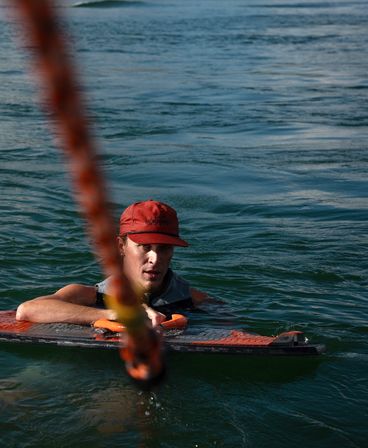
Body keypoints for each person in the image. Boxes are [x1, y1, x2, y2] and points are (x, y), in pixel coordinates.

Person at [16, 200, 208, 327]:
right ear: (121, 246)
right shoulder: (90, 296)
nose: (155, 258)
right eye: (144, 246)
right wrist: (115, 314)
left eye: (164, 248)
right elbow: (27, 310)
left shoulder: (194, 301)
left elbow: (234, 333)